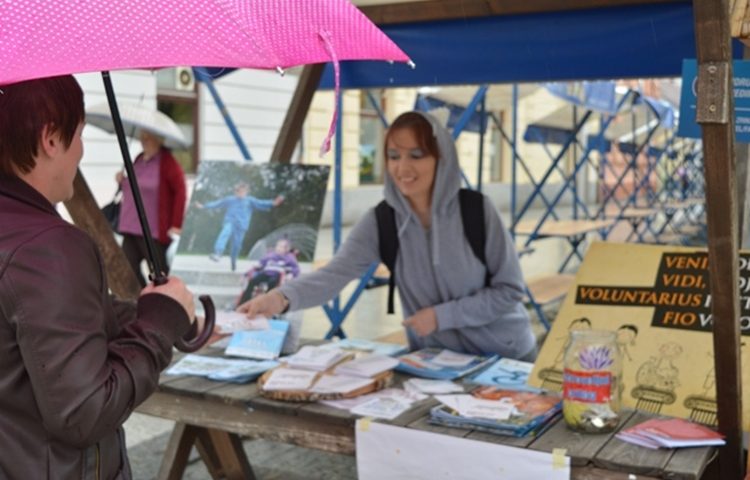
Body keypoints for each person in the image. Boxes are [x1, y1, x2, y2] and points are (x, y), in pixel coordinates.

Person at [0, 75, 199, 479]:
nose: (81, 150)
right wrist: (157, 327)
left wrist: (152, 314)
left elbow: (40, 326)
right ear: (50, 139)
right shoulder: (48, 246)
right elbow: (85, 411)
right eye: (78, 135)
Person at [238, 111, 537, 360]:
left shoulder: (477, 211)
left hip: (505, 359)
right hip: (436, 364)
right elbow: (333, 276)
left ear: (441, 158)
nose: (402, 167)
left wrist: (440, 317)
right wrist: (279, 298)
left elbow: (509, 290)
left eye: (416, 155)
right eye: (393, 156)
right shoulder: (382, 221)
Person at [116, 129, 186, 286]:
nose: (144, 140)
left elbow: (180, 192)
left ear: (159, 140)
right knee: (127, 270)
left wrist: (176, 224)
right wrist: (122, 181)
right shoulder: (139, 159)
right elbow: (135, 185)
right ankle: (142, 300)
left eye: (149, 137)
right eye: (143, 136)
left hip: (152, 231)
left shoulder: (167, 162)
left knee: (159, 275)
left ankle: (163, 306)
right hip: (130, 226)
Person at [196, 182, 284, 271]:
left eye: (243, 192)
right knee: (225, 233)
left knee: (236, 246)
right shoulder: (230, 199)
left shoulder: (250, 201)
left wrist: (273, 203)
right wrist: (204, 206)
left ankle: (233, 260)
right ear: (236, 192)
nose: (241, 194)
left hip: (241, 226)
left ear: (246, 192)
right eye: (239, 192)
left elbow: (261, 203)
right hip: (230, 222)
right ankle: (218, 253)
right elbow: (217, 203)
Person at [238, 237, 301, 304]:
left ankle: (266, 304)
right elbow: (260, 264)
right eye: (278, 246)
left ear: (286, 249)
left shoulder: (289, 258)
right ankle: (243, 303)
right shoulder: (270, 255)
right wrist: (246, 274)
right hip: (266, 273)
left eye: (281, 247)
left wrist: (291, 275)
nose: (278, 248)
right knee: (252, 281)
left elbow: (296, 269)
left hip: (278, 275)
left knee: (271, 284)